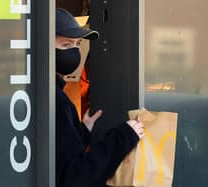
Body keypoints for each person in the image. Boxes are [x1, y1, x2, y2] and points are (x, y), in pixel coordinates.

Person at [55, 8, 144, 187]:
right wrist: (123, 138)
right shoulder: (56, 102)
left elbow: (58, 152)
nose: (73, 52)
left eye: (77, 44)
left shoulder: (44, 93)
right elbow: (75, 177)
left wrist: (83, 130)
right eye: (66, 45)